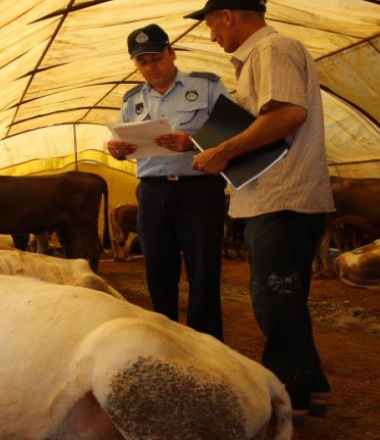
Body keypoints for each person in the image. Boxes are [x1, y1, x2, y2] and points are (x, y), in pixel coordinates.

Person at [185, 0, 336, 416]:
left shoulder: (271, 50)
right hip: (276, 195)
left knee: (274, 297)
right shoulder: (264, 55)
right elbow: (269, 116)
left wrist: (223, 151)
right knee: (285, 295)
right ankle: (311, 383)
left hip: (281, 195)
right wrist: (212, 143)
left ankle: (289, 394)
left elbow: (288, 113)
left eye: (212, 26)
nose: (211, 35)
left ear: (228, 16)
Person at [106, 23, 230, 341]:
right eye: (142, 62)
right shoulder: (131, 99)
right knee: (158, 271)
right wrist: (117, 151)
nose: (151, 67)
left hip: (199, 190)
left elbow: (234, 129)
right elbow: (125, 141)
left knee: (203, 271)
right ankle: (167, 343)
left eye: (155, 58)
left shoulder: (206, 86)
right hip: (152, 192)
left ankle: (207, 347)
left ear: (171, 53)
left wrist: (195, 141)